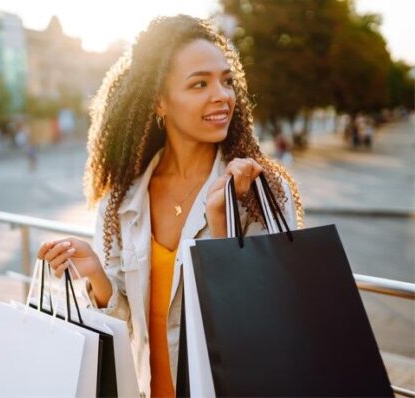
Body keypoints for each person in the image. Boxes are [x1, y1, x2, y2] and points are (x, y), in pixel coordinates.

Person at [37, 15, 303, 397]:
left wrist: (221, 229)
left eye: (227, 81)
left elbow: (268, 319)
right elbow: (126, 324)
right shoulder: (121, 200)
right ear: (160, 101)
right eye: (199, 84)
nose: (222, 96)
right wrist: (95, 274)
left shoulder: (258, 190)